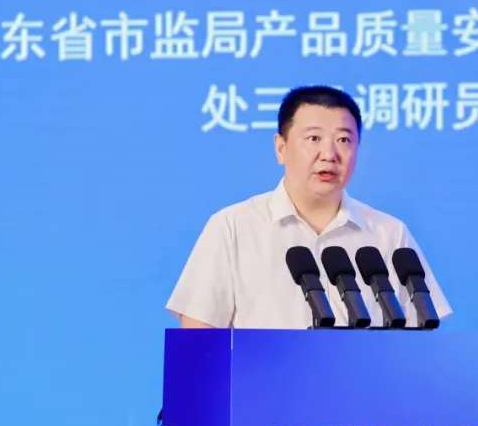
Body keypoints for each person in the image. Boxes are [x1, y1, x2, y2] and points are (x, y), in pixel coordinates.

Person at [166, 85, 452, 329]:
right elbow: (197, 341)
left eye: (344, 140)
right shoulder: (233, 227)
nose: (329, 154)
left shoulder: (389, 233)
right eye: (314, 138)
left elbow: (422, 344)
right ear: (280, 147)